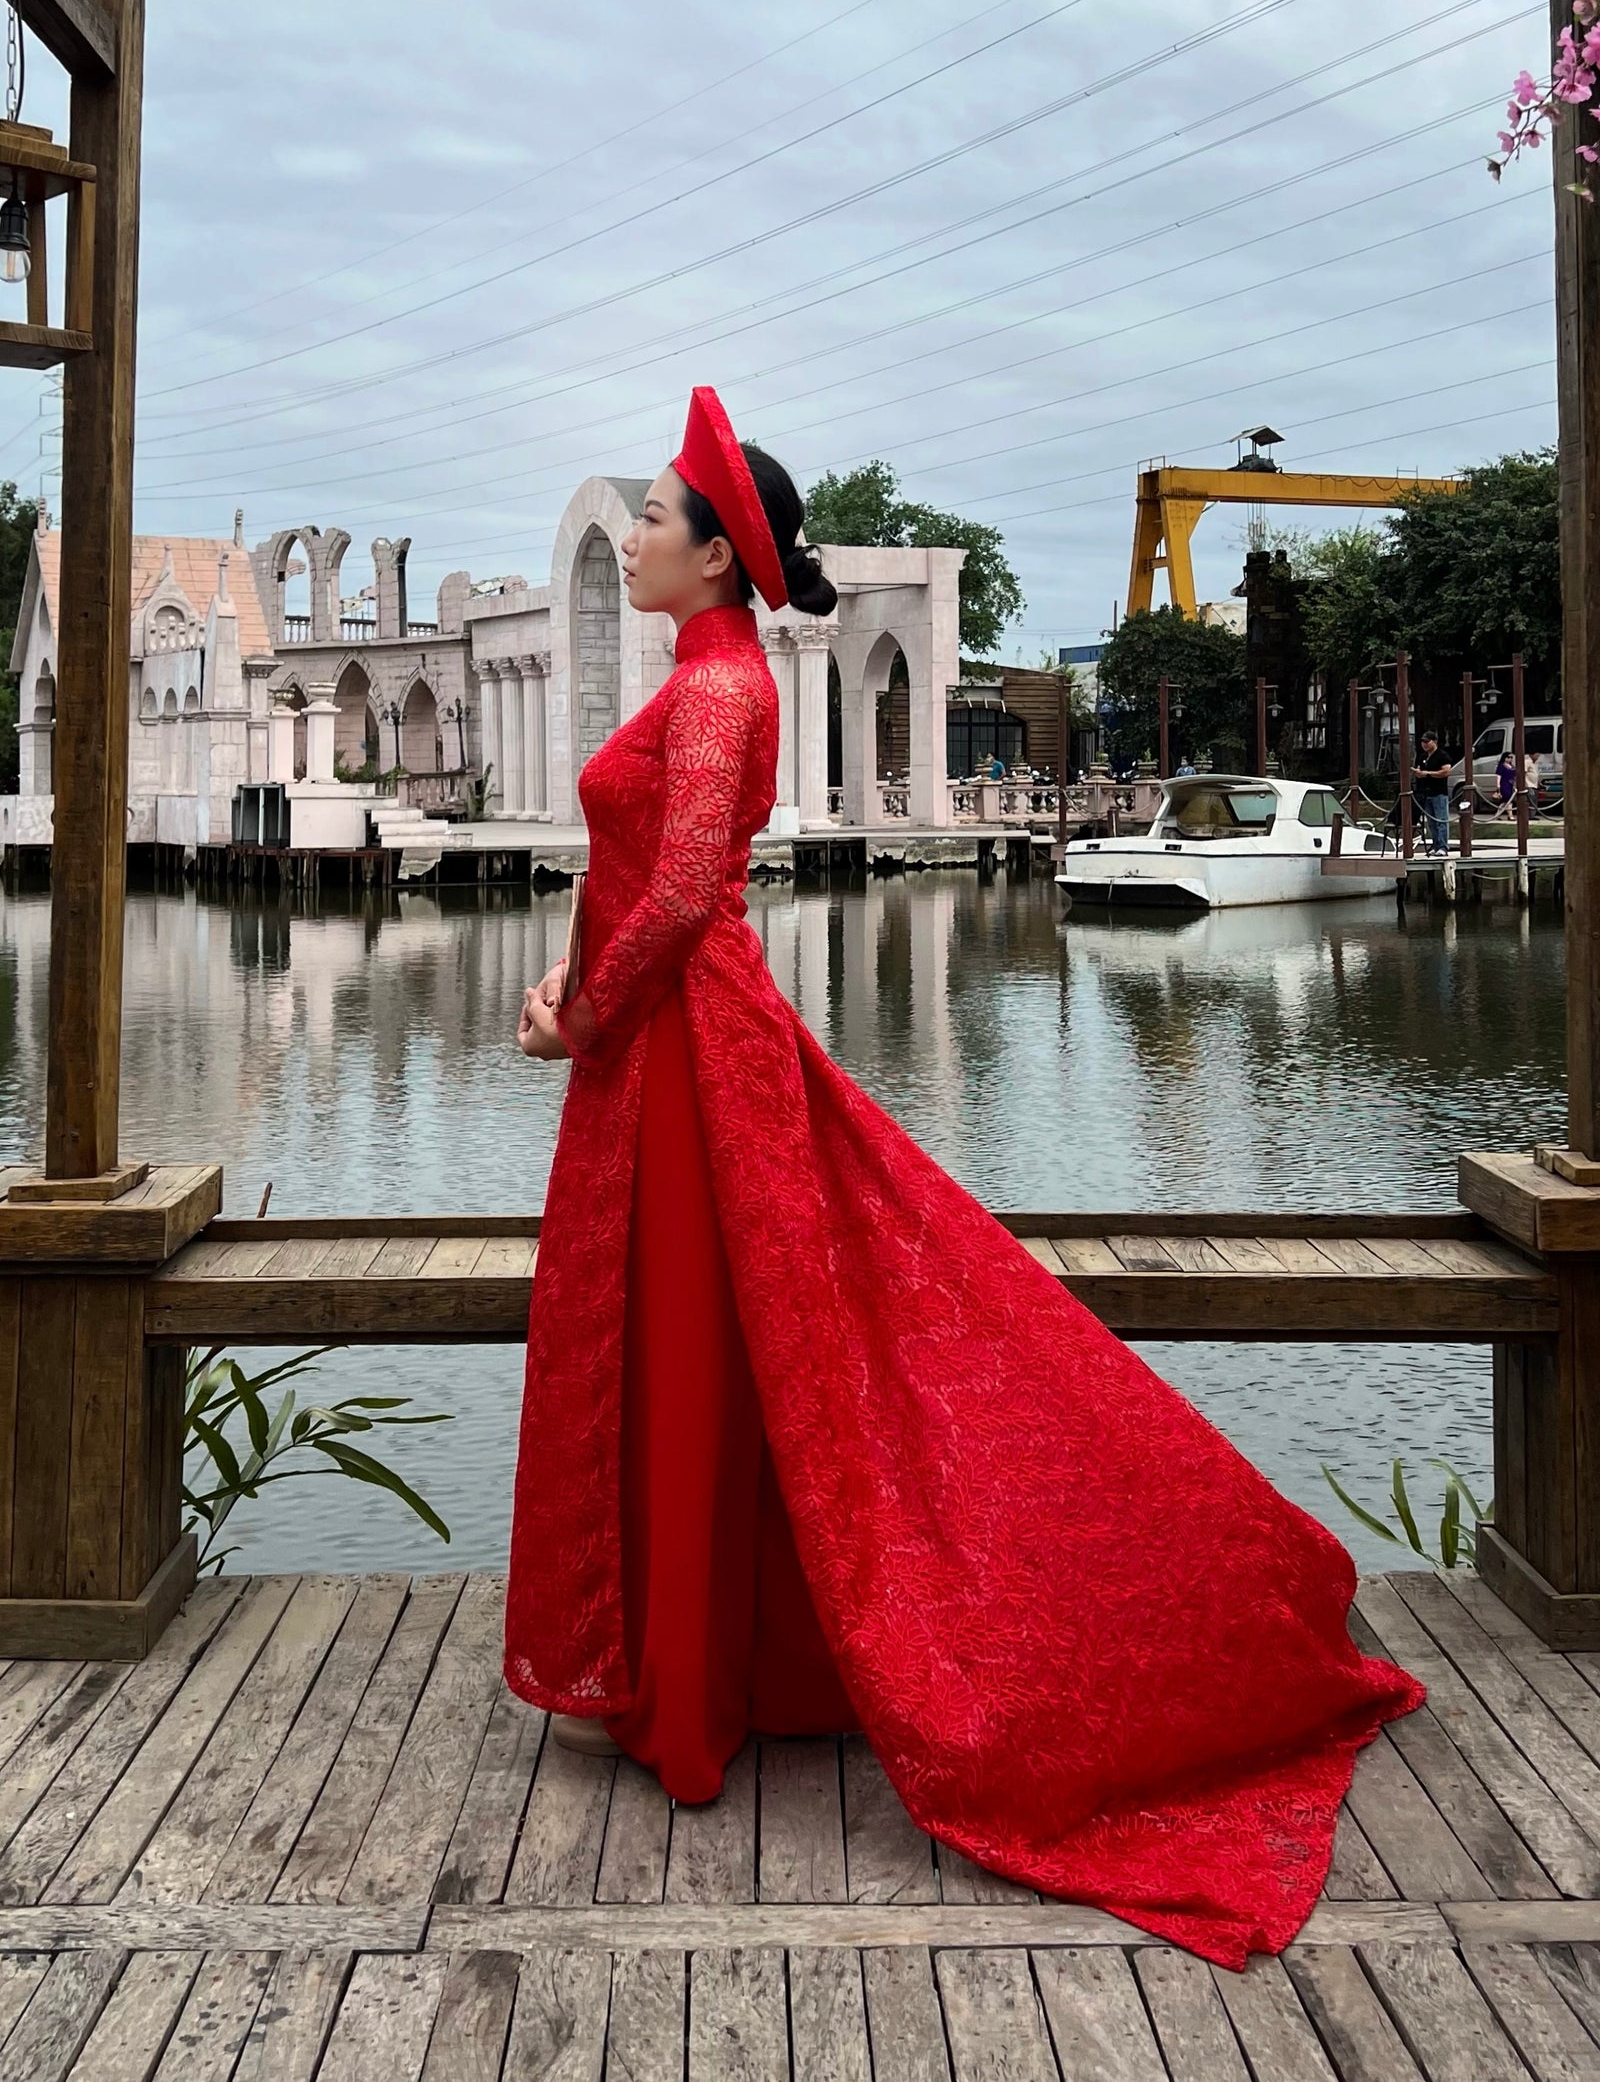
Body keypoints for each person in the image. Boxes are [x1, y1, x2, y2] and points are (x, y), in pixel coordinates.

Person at [507, 385, 1421, 1973]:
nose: (636, 532)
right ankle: (684, 1665)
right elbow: (647, 891)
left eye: (658, 514)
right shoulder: (700, 675)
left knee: (724, 1334)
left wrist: (578, 1009)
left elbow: (678, 902)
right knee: (707, 1337)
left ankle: (689, 1681)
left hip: (682, 1045)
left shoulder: (722, 694)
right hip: (658, 1048)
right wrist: (578, 999)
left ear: (719, 560)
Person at [1414, 730, 1452, 853]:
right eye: (1422, 742)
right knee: (1431, 823)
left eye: (1427, 741)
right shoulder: (1422, 757)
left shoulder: (1442, 755)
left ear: (1434, 742)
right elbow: (1420, 771)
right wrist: (1418, 774)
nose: (1424, 744)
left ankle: (1443, 846)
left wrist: (1427, 774)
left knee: (1441, 820)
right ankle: (1435, 845)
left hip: (1439, 793)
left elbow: (1446, 771)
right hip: (1426, 793)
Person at [1493, 748, 1518, 818]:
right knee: (1508, 800)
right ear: (1504, 758)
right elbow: (1498, 776)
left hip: (1510, 785)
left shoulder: (1512, 767)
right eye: (1508, 757)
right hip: (1504, 785)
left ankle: (1497, 815)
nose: (1510, 759)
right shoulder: (1501, 766)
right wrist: (1498, 786)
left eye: (1511, 757)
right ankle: (1510, 816)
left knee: (1504, 802)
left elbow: (1515, 776)